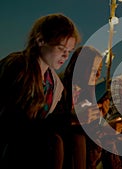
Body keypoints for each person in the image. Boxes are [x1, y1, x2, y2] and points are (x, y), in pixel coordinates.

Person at [0, 13, 81, 169]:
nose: (65, 55)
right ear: (40, 40)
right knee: (53, 141)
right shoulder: (18, 67)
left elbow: (46, 121)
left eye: (69, 51)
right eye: (61, 48)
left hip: (27, 145)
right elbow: (14, 122)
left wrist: (73, 119)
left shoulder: (55, 84)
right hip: (10, 145)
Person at [58, 45, 122, 169]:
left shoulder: (85, 92)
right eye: (93, 70)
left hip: (82, 135)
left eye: (100, 69)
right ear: (80, 68)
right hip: (64, 138)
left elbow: (89, 122)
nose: (98, 74)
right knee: (83, 137)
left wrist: (100, 116)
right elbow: (60, 120)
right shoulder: (61, 88)